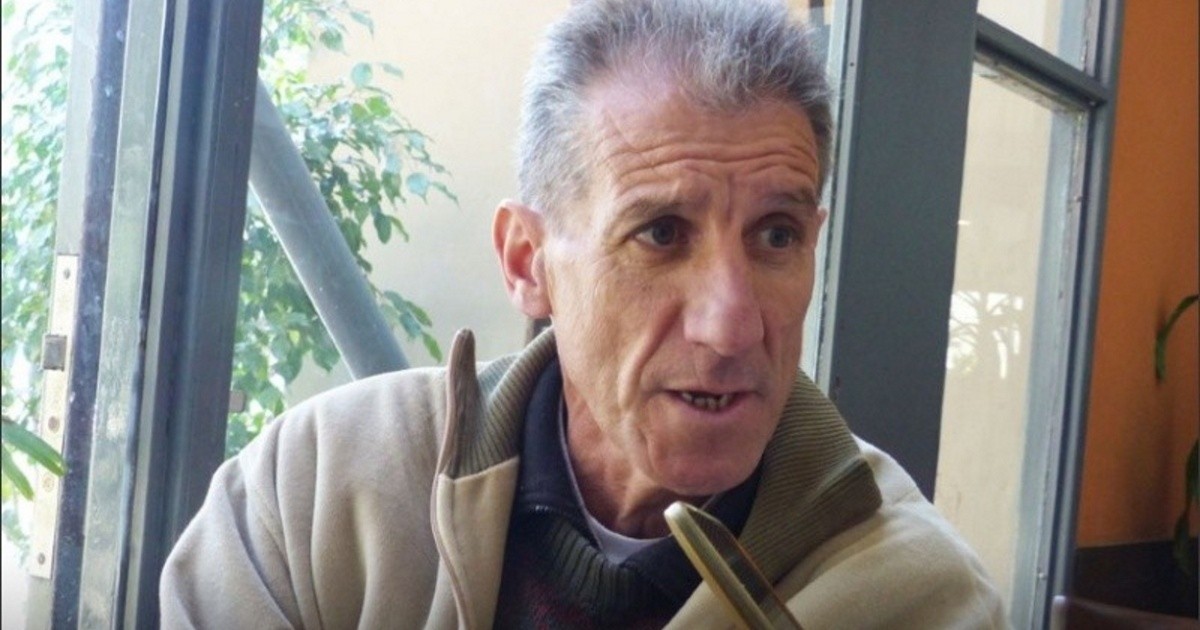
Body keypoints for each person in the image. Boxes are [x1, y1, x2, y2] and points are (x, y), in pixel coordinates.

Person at [161, 0, 1007, 627]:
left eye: (776, 235)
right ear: (527, 263)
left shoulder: (917, 597)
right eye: (661, 233)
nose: (731, 327)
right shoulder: (316, 494)